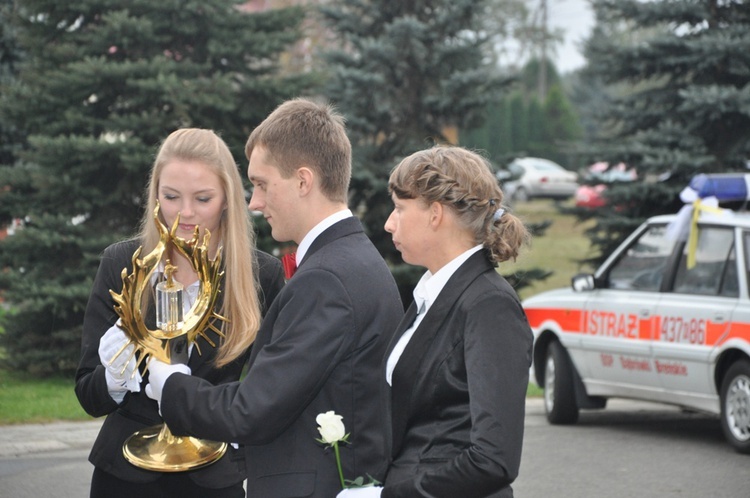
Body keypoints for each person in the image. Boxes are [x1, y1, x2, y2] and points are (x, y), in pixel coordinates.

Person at [145, 98, 404, 497]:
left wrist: (171, 386)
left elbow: (254, 409)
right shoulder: (352, 259)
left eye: (262, 184)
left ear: (303, 181)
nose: (254, 203)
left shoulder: (327, 279)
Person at [75, 128, 286, 498]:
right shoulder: (121, 263)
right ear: (155, 194)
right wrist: (114, 374)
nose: (184, 213)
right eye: (171, 196)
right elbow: (89, 397)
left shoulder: (261, 275)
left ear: (226, 200)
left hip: (214, 476)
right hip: (125, 476)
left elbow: (271, 391)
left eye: (202, 198)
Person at [338, 145, 534, 498]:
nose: (388, 222)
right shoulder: (434, 292)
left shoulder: (488, 304)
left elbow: (494, 459)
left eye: (400, 208)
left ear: (435, 214)